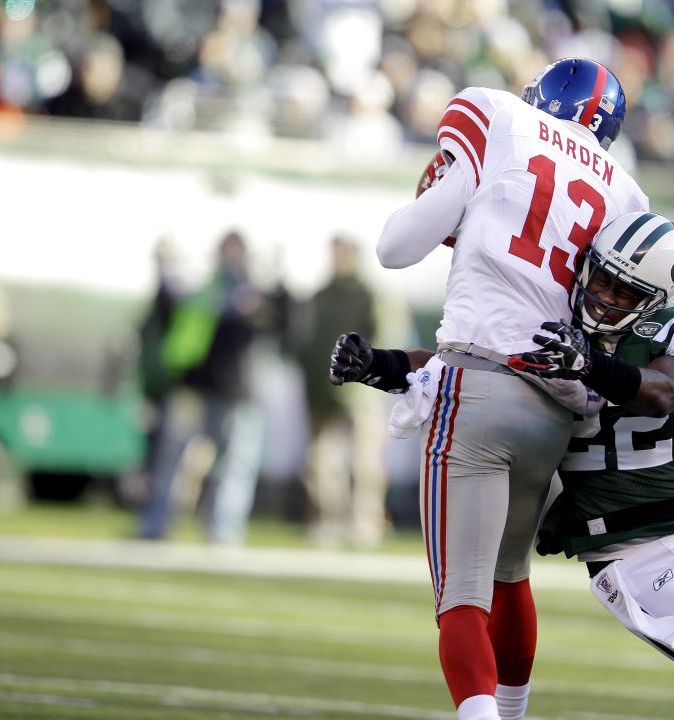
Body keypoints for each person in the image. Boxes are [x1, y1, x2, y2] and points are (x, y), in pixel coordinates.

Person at [334, 212, 674, 720]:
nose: (604, 295)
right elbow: (467, 365)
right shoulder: (549, 326)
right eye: (601, 277)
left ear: (654, 298)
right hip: (636, 564)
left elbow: (662, 392)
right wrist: (379, 364)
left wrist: (590, 365)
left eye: (625, 289)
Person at [360, 57, 647, 720]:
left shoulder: (498, 115)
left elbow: (397, 248)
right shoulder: (627, 192)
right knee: (510, 577)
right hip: (553, 408)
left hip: (477, 384)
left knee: (462, 595)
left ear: (542, 96)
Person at [138, 231, 269, 545]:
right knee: (174, 460)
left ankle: (222, 530)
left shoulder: (253, 292)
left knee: (233, 465)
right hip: (195, 386)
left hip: (235, 390)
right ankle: (157, 523)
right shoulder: (205, 288)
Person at [292, 234, 386, 548]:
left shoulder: (369, 295)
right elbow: (305, 342)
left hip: (360, 392)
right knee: (320, 462)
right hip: (322, 391)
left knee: (364, 463)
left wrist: (364, 375)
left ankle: (364, 524)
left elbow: (383, 338)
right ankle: (326, 523)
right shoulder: (319, 295)